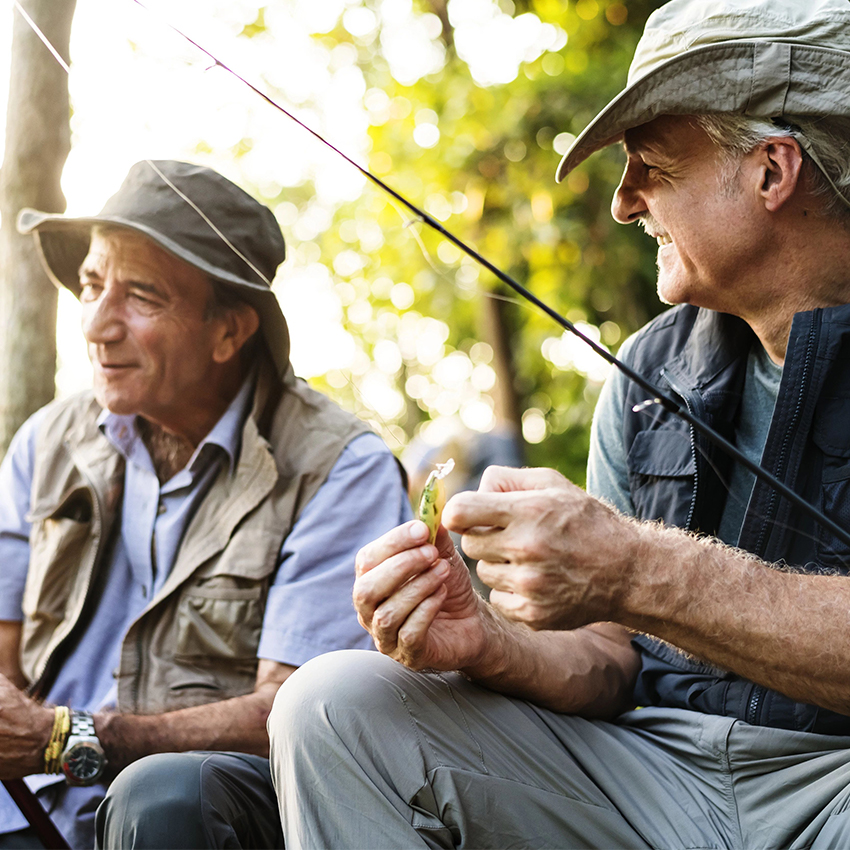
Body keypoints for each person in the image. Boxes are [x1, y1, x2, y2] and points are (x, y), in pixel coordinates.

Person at [267, 0, 850, 847]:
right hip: (655, 774)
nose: (623, 203)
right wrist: (488, 641)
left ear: (772, 170)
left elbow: (635, 581)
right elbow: (612, 659)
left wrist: (636, 566)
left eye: (653, 165)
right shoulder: (649, 372)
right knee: (333, 706)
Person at [0, 159, 410, 849]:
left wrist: (67, 739)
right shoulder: (47, 440)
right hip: (25, 816)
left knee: (162, 797)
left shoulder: (338, 468)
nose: (98, 324)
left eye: (141, 296)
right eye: (92, 285)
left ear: (230, 332)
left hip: (194, 821)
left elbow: (291, 716)